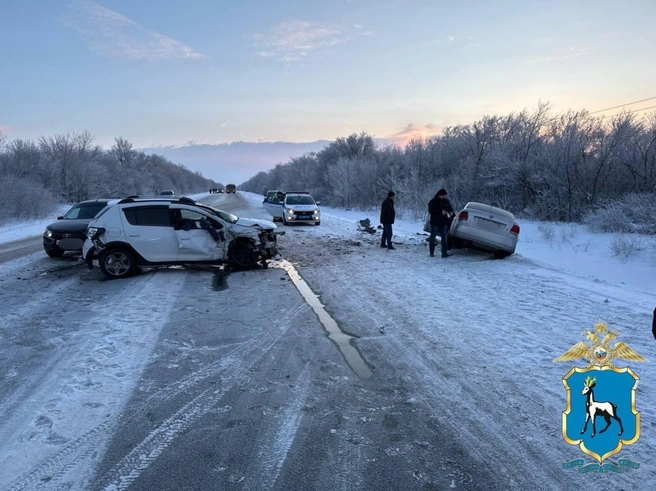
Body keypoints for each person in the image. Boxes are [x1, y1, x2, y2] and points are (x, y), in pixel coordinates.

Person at [427, 188, 454, 258]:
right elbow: (431, 211)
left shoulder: (446, 201)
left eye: (445, 195)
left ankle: (444, 253)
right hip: (435, 222)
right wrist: (440, 212)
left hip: (443, 222)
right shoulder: (433, 201)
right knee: (432, 238)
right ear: (439, 195)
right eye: (443, 195)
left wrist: (451, 212)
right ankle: (431, 252)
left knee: (444, 239)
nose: (444, 197)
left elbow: (450, 208)